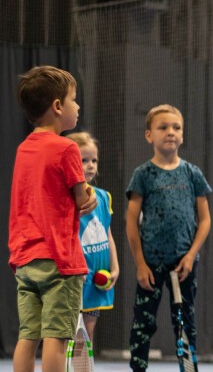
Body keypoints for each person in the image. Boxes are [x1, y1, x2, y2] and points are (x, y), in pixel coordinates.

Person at [8, 65, 97, 372]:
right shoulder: (67, 148)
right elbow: (82, 199)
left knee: (28, 337)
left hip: (25, 259)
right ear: (58, 106)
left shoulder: (23, 148)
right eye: (74, 99)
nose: (78, 106)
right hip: (59, 261)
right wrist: (91, 194)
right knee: (56, 340)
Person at [125, 104, 212, 372]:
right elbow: (131, 220)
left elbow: (205, 220)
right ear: (149, 135)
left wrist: (190, 255)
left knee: (185, 321)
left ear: (183, 135)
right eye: (163, 127)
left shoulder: (192, 174)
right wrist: (140, 263)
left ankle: (189, 368)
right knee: (143, 323)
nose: (170, 132)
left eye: (176, 128)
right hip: (151, 263)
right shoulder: (143, 175)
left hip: (183, 264)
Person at [65, 132, 120, 342]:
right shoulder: (66, 199)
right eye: (84, 160)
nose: (90, 166)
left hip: (99, 279)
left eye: (94, 160)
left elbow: (107, 232)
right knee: (68, 334)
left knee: (88, 334)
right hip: (76, 279)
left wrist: (115, 267)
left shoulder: (104, 197)